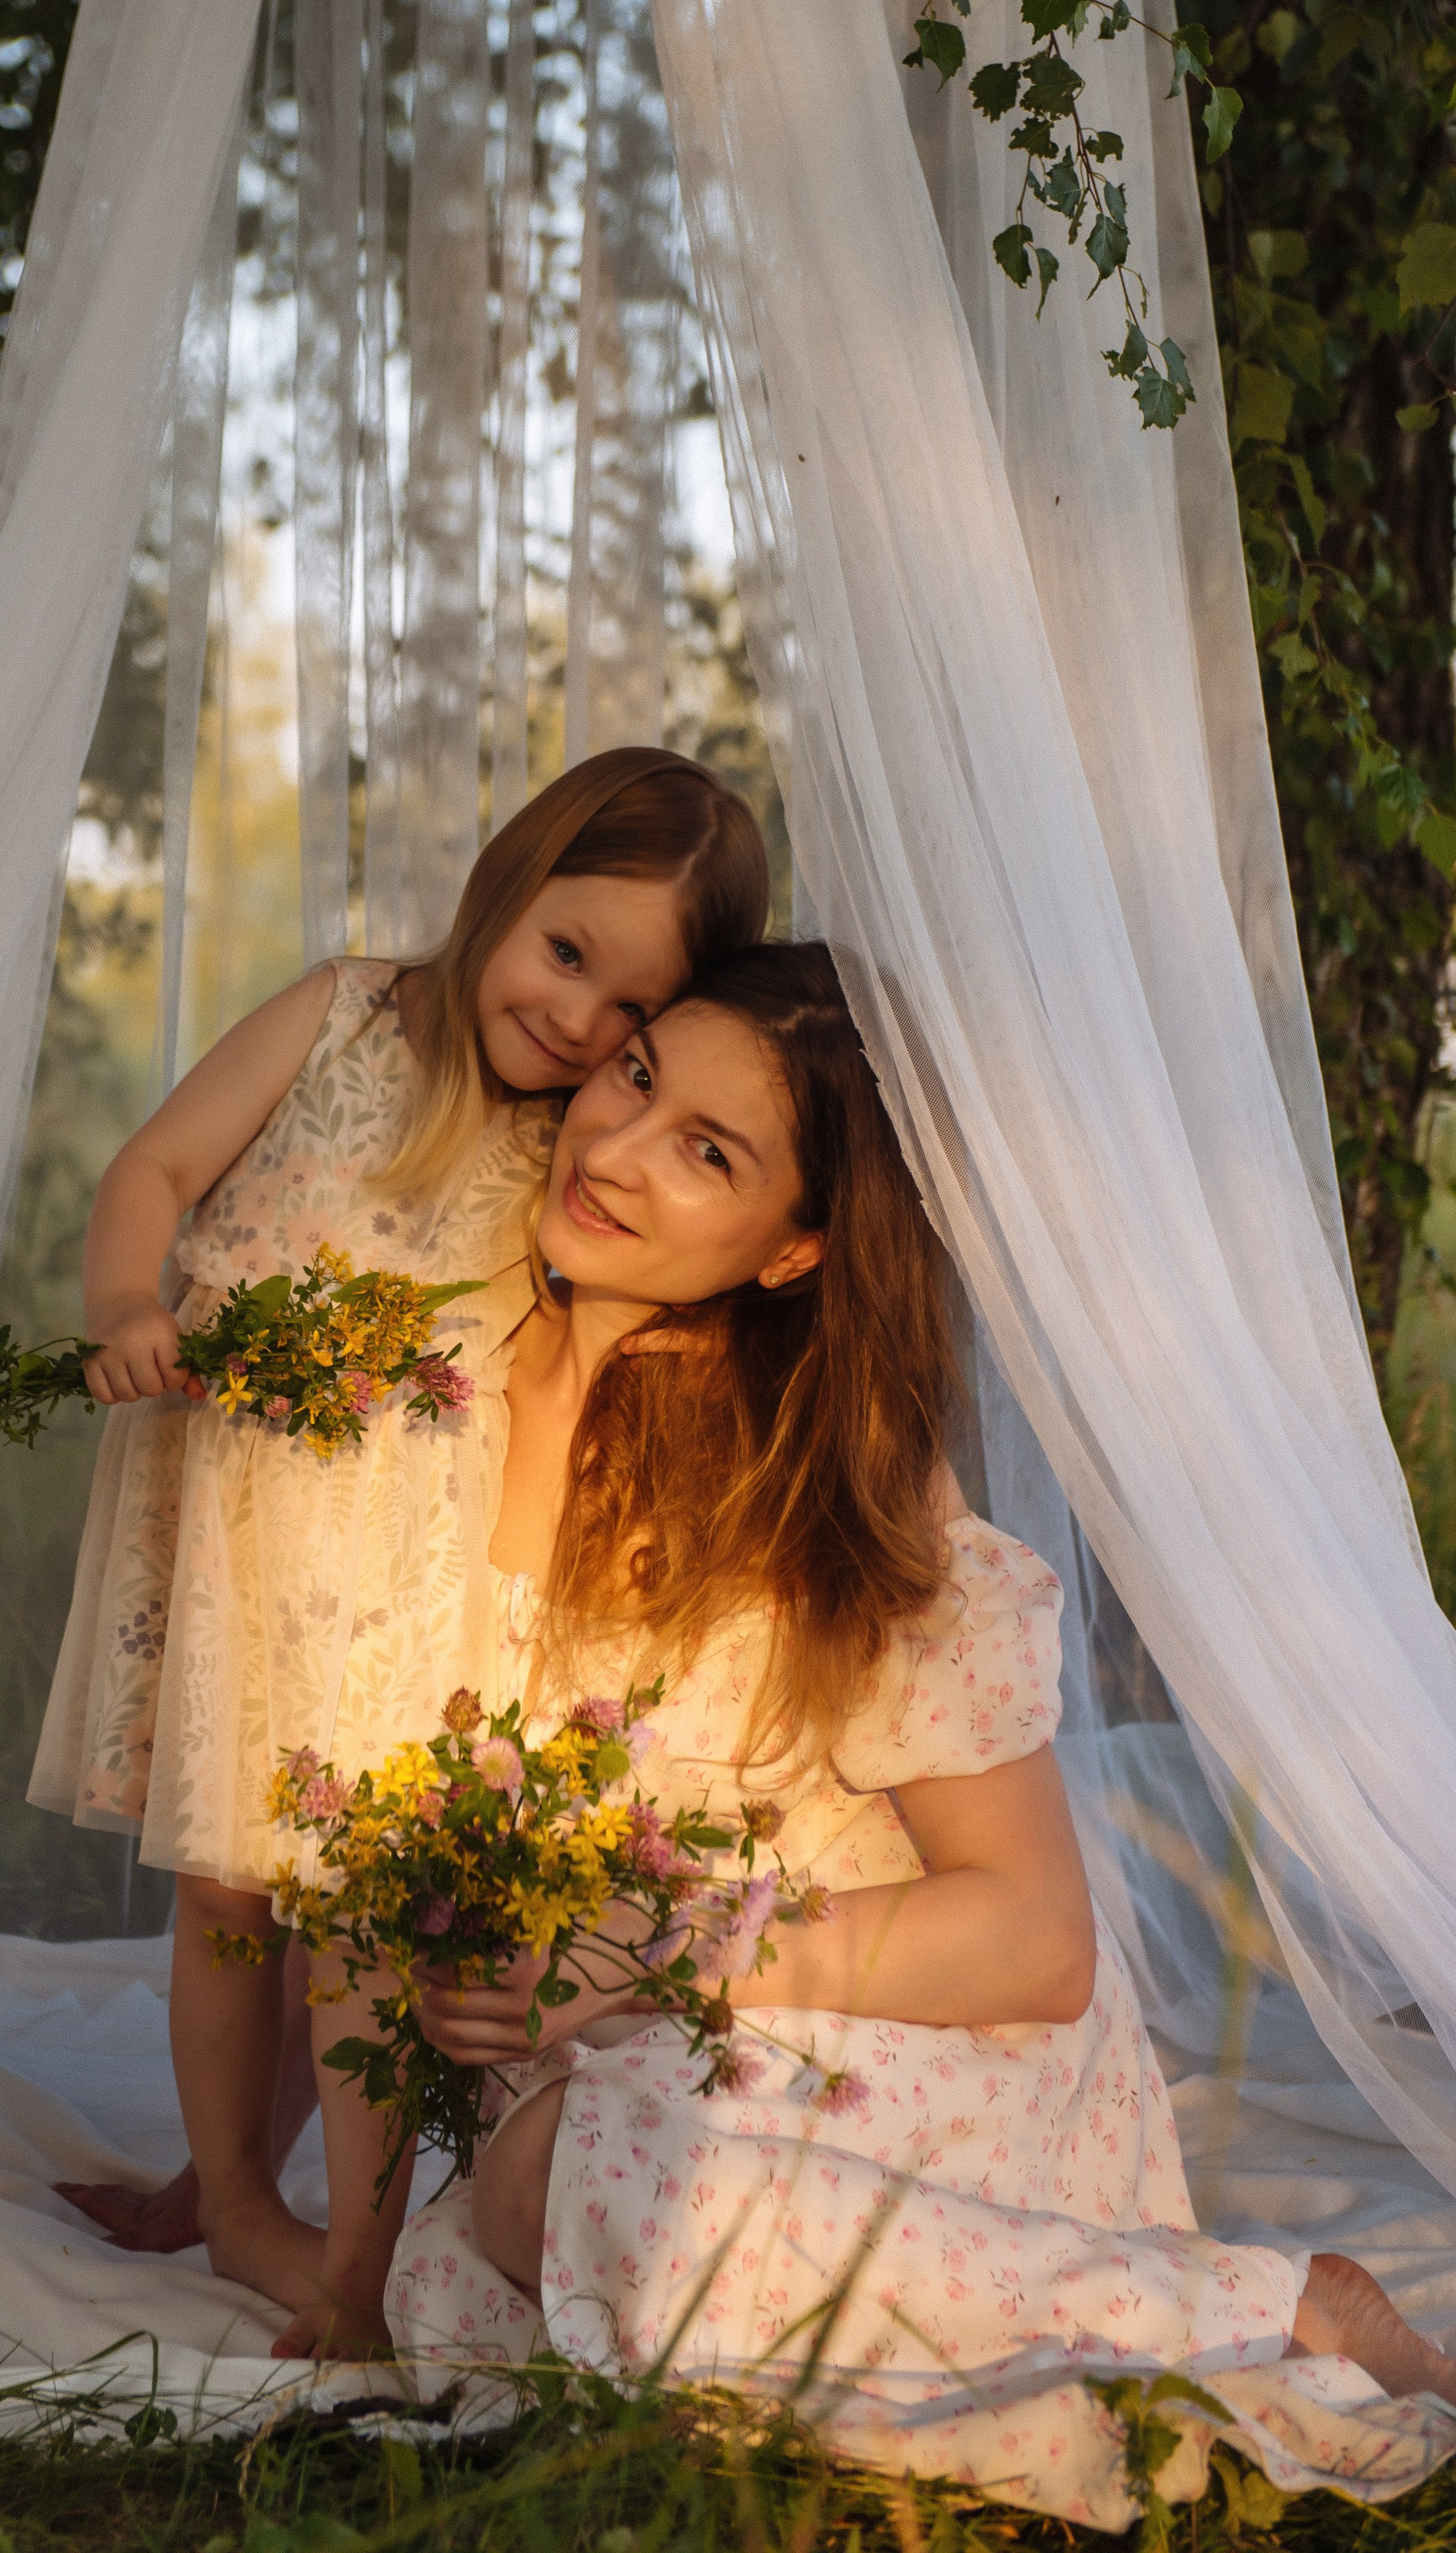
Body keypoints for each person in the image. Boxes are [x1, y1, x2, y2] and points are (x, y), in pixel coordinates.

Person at [390, 941, 1456, 2420]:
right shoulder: (452, 1378)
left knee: (580, 2188)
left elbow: (1035, 1941)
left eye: (709, 1150)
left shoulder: (835, 1496)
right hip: (634, 2062)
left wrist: (644, 1957)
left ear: (793, 1246)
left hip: (921, 2050)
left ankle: (1277, 2306)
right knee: (493, 2236)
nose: (618, 1151)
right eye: (636, 1077)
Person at [31, 746, 770, 2357]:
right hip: (240, 1534)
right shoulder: (342, 1013)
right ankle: (223, 2190)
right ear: (506, 883)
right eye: (565, 954)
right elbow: (150, 1169)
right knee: (229, 1893)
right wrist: (126, 1306)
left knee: (365, 1920)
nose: (578, 1026)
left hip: (402, 1589)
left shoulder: (577, 1149)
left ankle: (359, 2265)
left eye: (625, 1014)